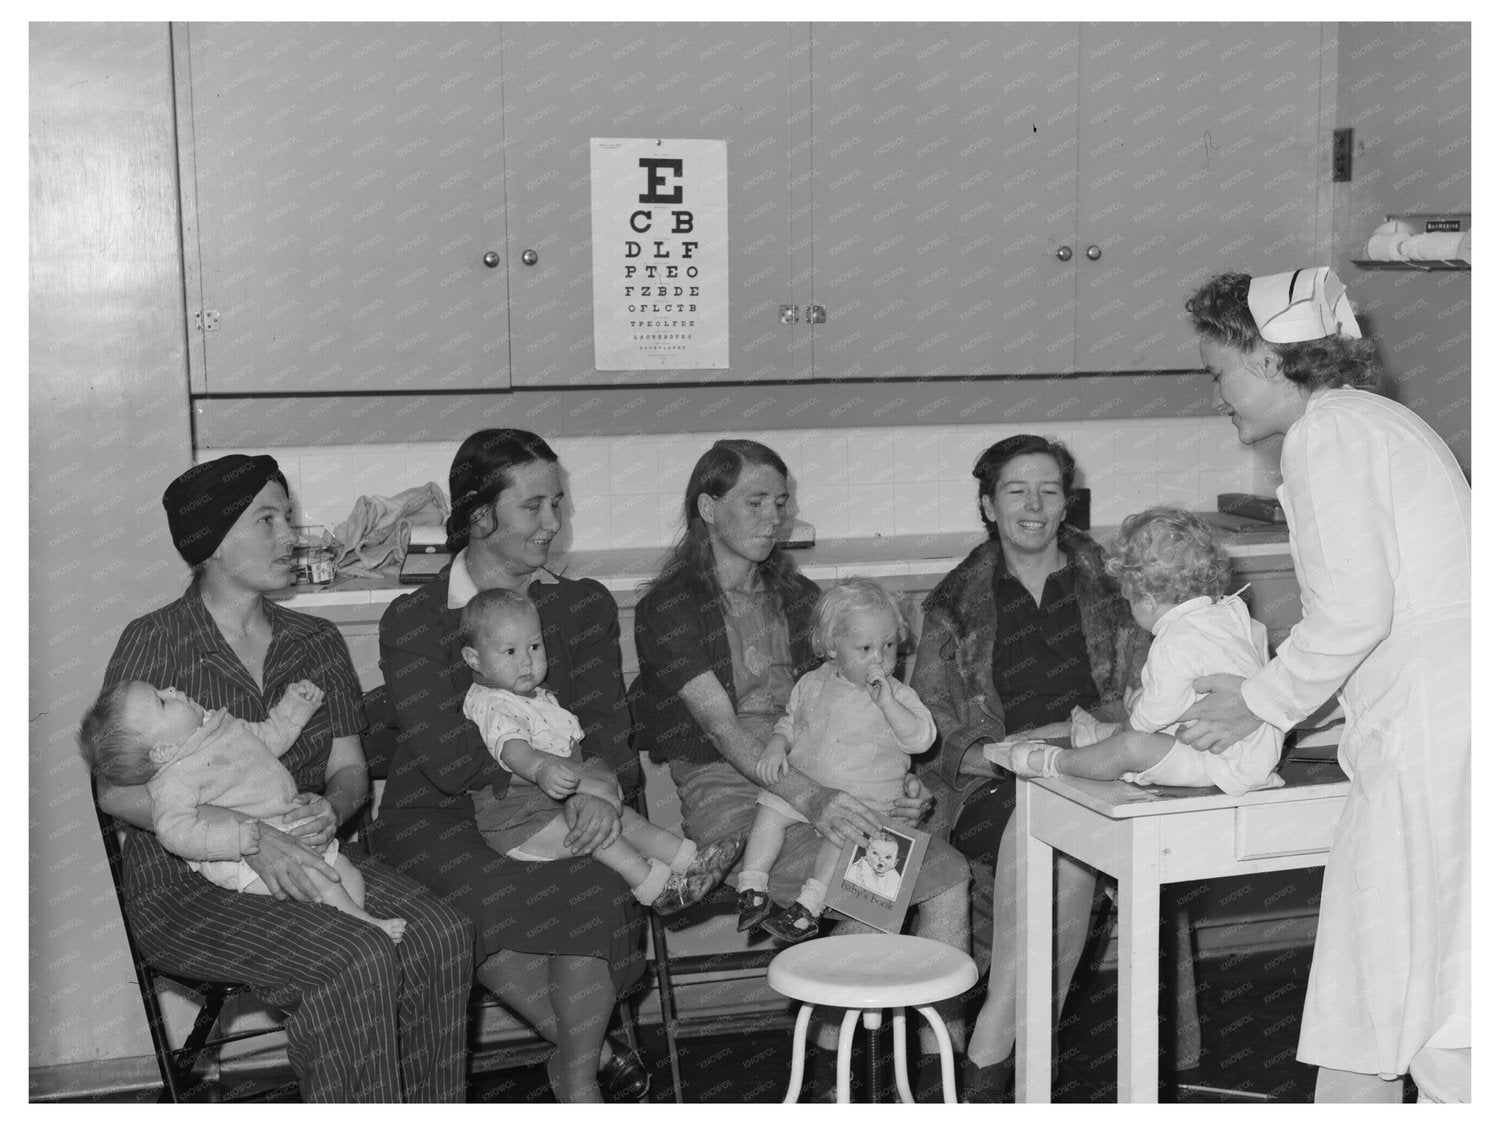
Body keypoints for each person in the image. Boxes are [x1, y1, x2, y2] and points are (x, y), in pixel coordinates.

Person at [1175, 268, 1470, 1104]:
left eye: (1218, 373)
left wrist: (1257, 703)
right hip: (1445, 715)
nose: (1217, 396)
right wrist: (1308, 710)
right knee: (1394, 984)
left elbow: (1353, 613)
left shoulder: (1324, 436)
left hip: (1435, 732)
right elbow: (1399, 611)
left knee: (1417, 993)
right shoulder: (1376, 421)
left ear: (1266, 359)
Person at [95, 454, 473, 1102]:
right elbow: (116, 788)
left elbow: (349, 767)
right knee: (352, 958)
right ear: (212, 542)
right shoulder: (155, 642)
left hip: (316, 852)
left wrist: (335, 805)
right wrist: (251, 836)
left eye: (288, 517)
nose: (289, 535)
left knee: (442, 935)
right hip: (193, 883)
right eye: (266, 519)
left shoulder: (317, 639)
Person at [631, 438, 973, 1094]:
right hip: (732, 794)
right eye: (755, 501)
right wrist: (816, 799)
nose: (773, 517)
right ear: (707, 507)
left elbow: (862, 714)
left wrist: (896, 784)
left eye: (781, 502)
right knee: (870, 879)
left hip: (824, 778)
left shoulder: (803, 598)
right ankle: (844, 1063)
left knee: (939, 874)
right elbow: (726, 730)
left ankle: (938, 1068)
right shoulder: (668, 608)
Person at [368, 428, 653, 1104]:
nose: (553, 524)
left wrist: (600, 786)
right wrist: (566, 778)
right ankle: (594, 1052)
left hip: (565, 799)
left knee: (592, 883)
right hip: (437, 812)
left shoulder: (581, 605)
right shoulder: (415, 619)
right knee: (476, 899)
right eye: (535, 506)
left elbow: (610, 726)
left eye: (559, 503)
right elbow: (447, 756)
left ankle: (577, 1080)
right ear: (480, 516)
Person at [910, 433, 1150, 1099]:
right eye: (1017, 490)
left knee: (1062, 825)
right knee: (1063, 845)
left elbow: (1144, 694)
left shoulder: (1113, 584)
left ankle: (991, 1051)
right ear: (988, 504)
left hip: (1102, 763)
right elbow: (932, 719)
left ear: (1067, 501)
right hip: (996, 780)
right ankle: (1008, 1061)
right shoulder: (954, 600)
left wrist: (1058, 740)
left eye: (1049, 490)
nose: (1035, 504)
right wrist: (999, 753)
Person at [458, 587, 743, 912]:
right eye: (509, 652)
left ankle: (690, 860)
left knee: (625, 817)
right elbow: (511, 749)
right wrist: (541, 768)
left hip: (551, 807)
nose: (527, 661)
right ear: (474, 659)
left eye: (534, 646)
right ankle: (656, 890)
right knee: (601, 834)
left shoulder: (533, 694)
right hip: (521, 824)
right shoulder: (492, 702)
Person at [81, 678, 407, 942]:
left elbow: (270, 736)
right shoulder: (173, 781)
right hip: (239, 861)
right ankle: (364, 928)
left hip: (284, 826)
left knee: (345, 873)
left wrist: (296, 705)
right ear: (163, 750)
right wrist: (236, 839)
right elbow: (175, 833)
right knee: (322, 883)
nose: (170, 689)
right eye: (162, 700)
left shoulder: (218, 726)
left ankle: (355, 929)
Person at [996, 506, 1283, 796]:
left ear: (1146, 598)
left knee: (1129, 744)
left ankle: (1056, 762)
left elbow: (1156, 715)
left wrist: (1137, 716)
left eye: (1130, 600)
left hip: (1217, 761)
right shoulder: (1232, 615)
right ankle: (1090, 736)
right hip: (1256, 755)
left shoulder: (1174, 639)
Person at [737, 578, 936, 942]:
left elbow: (921, 739)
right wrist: (777, 745)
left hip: (866, 804)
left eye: (889, 645)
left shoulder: (899, 696)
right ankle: (752, 887)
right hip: (807, 791)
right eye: (865, 647)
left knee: (841, 840)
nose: (879, 657)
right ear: (831, 647)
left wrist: (888, 704)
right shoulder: (811, 683)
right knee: (769, 809)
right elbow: (791, 722)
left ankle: (807, 908)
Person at [842, 831, 903, 899]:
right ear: (867, 852)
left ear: (895, 863)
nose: (881, 859)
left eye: (888, 857)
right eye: (875, 853)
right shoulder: (857, 871)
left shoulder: (894, 877)